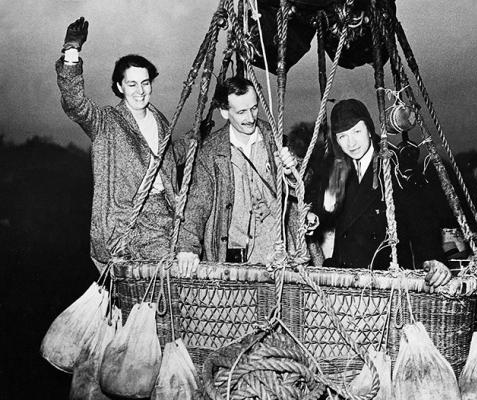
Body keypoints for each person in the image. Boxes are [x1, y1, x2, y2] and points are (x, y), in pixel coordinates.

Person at [56, 18, 188, 270]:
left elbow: (171, 154)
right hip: (128, 229)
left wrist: (199, 134)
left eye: (146, 83)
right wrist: (72, 50)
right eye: (132, 84)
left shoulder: (160, 122)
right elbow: (75, 102)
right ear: (119, 87)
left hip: (168, 218)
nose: (140, 91)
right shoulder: (106, 122)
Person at [318, 99, 451, 287]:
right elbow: (323, 209)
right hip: (345, 281)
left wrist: (433, 258)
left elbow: (421, 218)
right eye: (342, 136)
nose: (351, 143)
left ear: (369, 129)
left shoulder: (395, 165)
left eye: (357, 131)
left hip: (384, 281)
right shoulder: (338, 168)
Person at [177, 77, 300, 271]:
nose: (250, 118)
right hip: (232, 260)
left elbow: (302, 190)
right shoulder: (210, 152)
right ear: (224, 112)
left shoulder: (276, 140)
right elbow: (197, 204)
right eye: (241, 112)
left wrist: (292, 171)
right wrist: (187, 247)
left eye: (253, 108)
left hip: (276, 260)